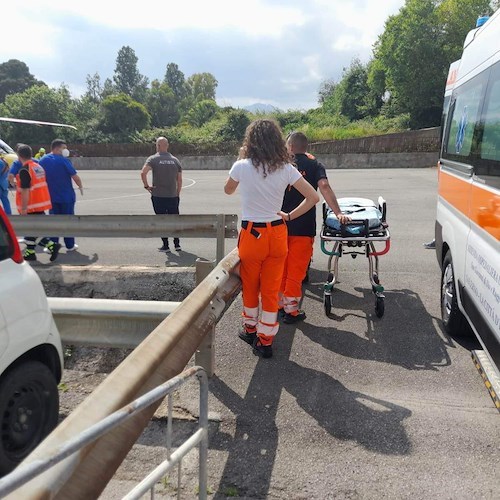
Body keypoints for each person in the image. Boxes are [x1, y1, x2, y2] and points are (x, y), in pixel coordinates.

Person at [224, 120, 320, 358]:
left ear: (251, 141)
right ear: (278, 141)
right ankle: (265, 341)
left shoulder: (241, 166)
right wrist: (289, 215)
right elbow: (313, 197)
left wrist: (240, 158)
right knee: (271, 288)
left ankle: (250, 328)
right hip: (278, 232)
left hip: (252, 234)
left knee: (251, 285)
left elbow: (228, 190)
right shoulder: (286, 168)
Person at [280, 132, 351, 323]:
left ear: (291, 147)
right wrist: (338, 213)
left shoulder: (280, 165)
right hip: (303, 227)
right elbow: (324, 187)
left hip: (279, 226)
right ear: (305, 147)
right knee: (296, 271)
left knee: (281, 269)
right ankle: (291, 310)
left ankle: (279, 306)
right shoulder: (314, 164)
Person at [15, 144, 60, 262]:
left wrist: (24, 208)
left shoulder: (25, 170)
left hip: (31, 206)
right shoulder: (38, 167)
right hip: (40, 204)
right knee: (31, 230)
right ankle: (30, 252)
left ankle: (51, 245)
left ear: (19, 156)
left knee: (32, 230)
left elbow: (25, 190)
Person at [39, 139, 83, 252]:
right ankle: (70, 245)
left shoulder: (43, 160)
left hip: (51, 197)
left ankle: (52, 245)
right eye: (64, 148)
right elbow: (75, 176)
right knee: (68, 220)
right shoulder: (64, 161)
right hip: (66, 197)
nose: (66, 150)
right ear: (57, 148)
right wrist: (80, 186)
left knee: (54, 221)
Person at [141, 137, 183, 253]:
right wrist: (177, 193)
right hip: (172, 196)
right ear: (167, 146)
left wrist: (147, 186)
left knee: (161, 220)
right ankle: (177, 244)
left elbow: (143, 172)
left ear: (158, 146)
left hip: (158, 195)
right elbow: (179, 180)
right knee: (174, 220)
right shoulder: (175, 160)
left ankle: (166, 245)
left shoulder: (153, 159)